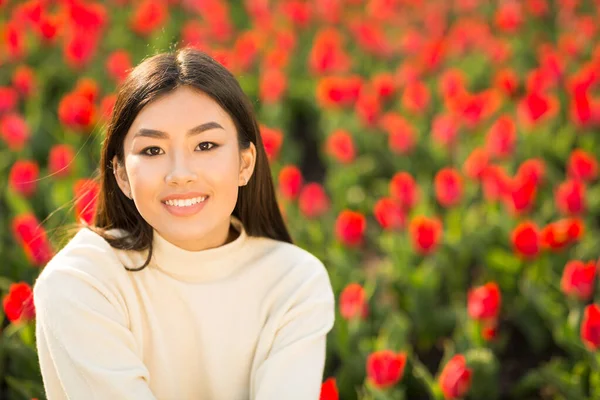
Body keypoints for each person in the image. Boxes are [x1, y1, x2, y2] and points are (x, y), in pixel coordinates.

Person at [33, 47, 336, 400]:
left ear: (245, 163)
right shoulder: (83, 283)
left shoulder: (292, 283)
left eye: (205, 144)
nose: (180, 174)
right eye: (152, 150)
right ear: (121, 175)